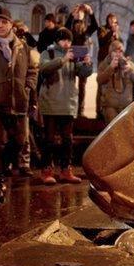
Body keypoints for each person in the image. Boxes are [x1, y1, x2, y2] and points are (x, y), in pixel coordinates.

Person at [38, 27, 92, 184]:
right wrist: (64, 59)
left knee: (67, 140)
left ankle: (65, 170)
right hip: (50, 102)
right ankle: (46, 170)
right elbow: (44, 69)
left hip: (68, 103)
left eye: (69, 40)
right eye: (64, 40)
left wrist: (87, 65)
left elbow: (83, 73)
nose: (67, 43)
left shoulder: (74, 56)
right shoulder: (47, 53)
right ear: (57, 40)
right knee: (49, 139)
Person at [0, 6, 39, 179]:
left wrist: (28, 86)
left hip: (19, 102)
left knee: (20, 141)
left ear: (11, 24)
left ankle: (3, 168)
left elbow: (32, 69)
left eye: (3, 22)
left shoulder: (23, 47)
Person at [65, 4, 98, 117]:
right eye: (77, 12)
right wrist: (71, 15)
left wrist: (91, 12)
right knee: (70, 83)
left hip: (83, 57)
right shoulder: (70, 28)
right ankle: (70, 109)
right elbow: (65, 28)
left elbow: (95, 26)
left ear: (84, 15)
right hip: (72, 57)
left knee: (82, 85)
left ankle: (81, 110)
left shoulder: (86, 28)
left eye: (81, 12)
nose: (79, 14)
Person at [97, 41, 134, 124]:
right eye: (115, 52)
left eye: (120, 52)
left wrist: (130, 70)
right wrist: (110, 68)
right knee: (113, 129)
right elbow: (99, 80)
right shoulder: (104, 64)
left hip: (126, 106)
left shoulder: (128, 64)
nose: (118, 54)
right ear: (110, 53)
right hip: (110, 106)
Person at [96, 13, 121, 118]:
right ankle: (99, 110)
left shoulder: (116, 33)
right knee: (101, 84)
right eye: (110, 20)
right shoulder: (102, 29)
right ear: (107, 20)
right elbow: (102, 41)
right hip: (103, 60)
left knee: (113, 84)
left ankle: (112, 108)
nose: (112, 22)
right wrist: (112, 32)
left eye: (114, 20)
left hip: (114, 60)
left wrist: (117, 35)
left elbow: (119, 45)